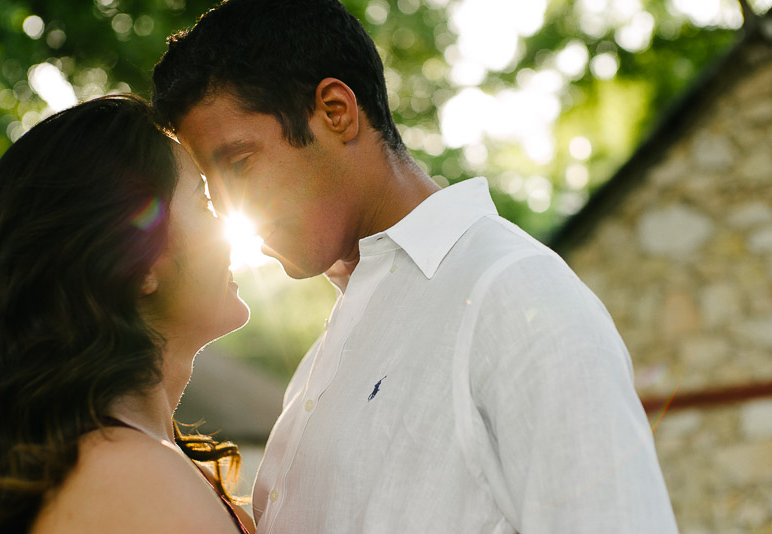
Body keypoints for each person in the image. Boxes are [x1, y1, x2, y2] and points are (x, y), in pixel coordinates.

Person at [152, 1, 680, 532]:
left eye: (239, 165)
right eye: (208, 187)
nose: (225, 206)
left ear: (336, 111)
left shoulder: (515, 296)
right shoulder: (319, 367)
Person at [0, 95, 255, 534]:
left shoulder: (126, 461)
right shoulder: (136, 483)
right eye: (203, 203)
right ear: (138, 263)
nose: (228, 229)